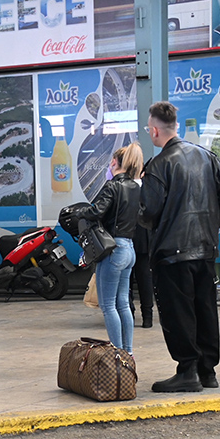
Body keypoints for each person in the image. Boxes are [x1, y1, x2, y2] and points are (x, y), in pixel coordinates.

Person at [140, 102, 220, 392]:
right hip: (204, 248)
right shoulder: (206, 156)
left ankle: (187, 371)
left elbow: (148, 211)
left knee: (178, 312)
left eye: (150, 129)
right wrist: (214, 220)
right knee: (205, 308)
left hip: (172, 252)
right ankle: (207, 371)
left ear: (155, 130)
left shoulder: (158, 165)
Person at [78, 144, 143, 355]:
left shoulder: (112, 186)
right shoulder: (136, 187)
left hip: (113, 250)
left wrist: (80, 212)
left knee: (108, 305)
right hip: (129, 249)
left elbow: (98, 211)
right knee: (123, 303)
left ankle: (117, 352)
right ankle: (128, 352)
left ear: (114, 162)